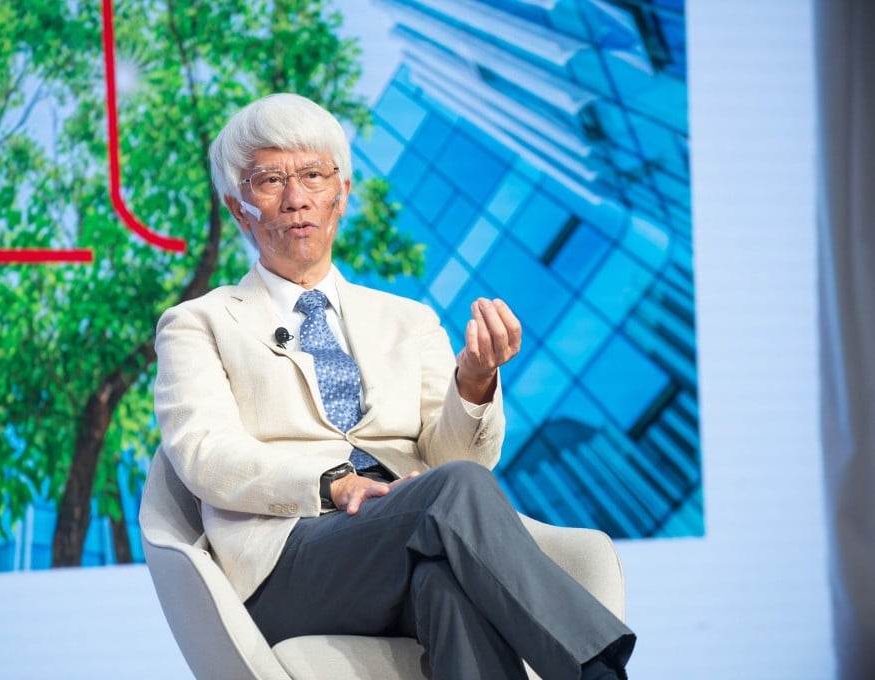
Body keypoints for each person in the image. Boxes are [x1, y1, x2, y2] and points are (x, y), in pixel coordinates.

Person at [153, 92, 635, 679]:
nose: (297, 198)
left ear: (342, 195)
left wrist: (476, 382)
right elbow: (205, 457)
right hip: (289, 562)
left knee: (448, 586)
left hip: (414, 534)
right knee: (448, 492)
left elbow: (460, 457)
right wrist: (330, 484)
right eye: (270, 180)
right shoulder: (199, 322)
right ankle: (598, 672)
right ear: (238, 208)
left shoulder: (408, 319)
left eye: (312, 175)